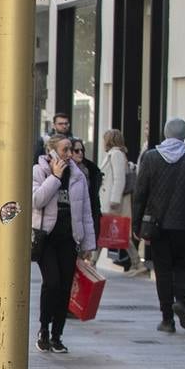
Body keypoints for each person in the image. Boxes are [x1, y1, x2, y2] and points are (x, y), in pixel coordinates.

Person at [132, 118, 185, 333]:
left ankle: (167, 319)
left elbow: (140, 194)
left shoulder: (151, 158)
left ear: (165, 133)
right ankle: (181, 299)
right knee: (182, 265)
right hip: (184, 224)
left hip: (157, 226)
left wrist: (136, 224)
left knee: (162, 270)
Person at [33, 134, 97, 353]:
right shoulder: (39, 171)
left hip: (69, 238)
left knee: (64, 287)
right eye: (65, 150)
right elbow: (37, 200)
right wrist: (55, 177)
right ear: (51, 151)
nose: (70, 154)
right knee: (51, 283)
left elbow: (86, 212)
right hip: (47, 238)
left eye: (72, 150)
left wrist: (88, 243)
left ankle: (57, 335)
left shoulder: (79, 176)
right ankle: (43, 329)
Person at [99, 128, 142, 272]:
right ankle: (136, 262)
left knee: (110, 232)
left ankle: (92, 262)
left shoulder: (116, 154)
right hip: (111, 200)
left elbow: (119, 179)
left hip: (114, 202)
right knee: (110, 232)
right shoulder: (115, 154)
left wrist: (114, 200)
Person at [71, 138, 103, 248]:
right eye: (76, 150)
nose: (80, 153)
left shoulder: (91, 169)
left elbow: (93, 196)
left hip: (88, 213)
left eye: (82, 150)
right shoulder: (64, 171)